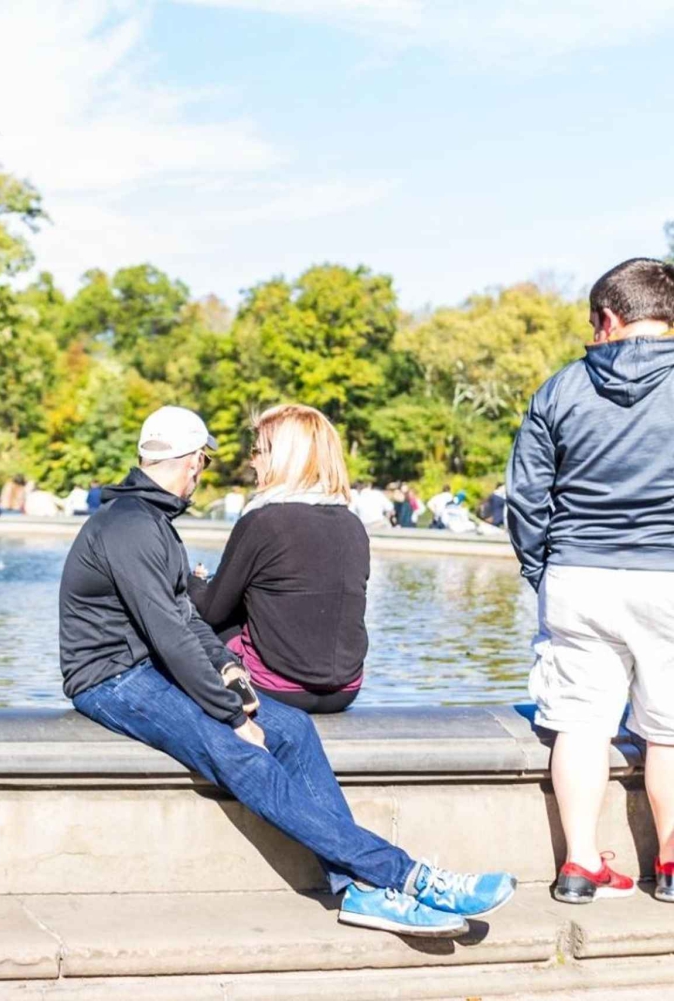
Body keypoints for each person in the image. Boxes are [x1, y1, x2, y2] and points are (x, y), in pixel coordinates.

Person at [60, 404, 516, 937]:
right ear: (193, 461)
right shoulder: (130, 527)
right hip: (111, 678)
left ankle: (359, 892)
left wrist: (230, 671)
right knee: (240, 754)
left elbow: (188, 620)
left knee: (294, 729)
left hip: (148, 666)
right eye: (205, 463)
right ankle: (408, 876)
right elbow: (170, 635)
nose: (203, 475)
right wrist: (233, 716)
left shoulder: (152, 523)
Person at [508, 257, 674, 906]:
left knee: (579, 724)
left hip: (578, 574)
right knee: (669, 729)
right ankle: (669, 860)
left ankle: (579, 865)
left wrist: (542, 572)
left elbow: (526, 500)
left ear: (608, 318)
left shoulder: (560, 389)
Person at [190, 405, 367, 713]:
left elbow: (212, 611)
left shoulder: (263, 521)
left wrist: (193, 584)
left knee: (200, 621)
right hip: (346, 690)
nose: (251, 461)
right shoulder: (353, 524)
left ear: (285, 456)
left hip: (275, 689)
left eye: (258, 451)